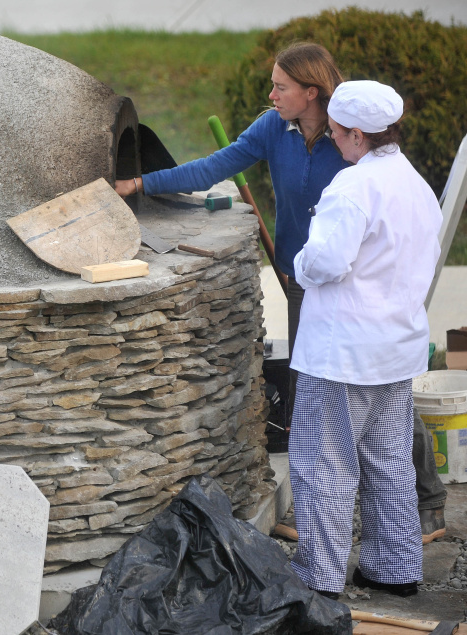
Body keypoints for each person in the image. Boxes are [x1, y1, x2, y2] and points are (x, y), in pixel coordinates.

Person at [115, 42, 447, 543]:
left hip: (365, 292)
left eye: (281, 86)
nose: (270, 94)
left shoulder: (353, 140)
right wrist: (139, 184)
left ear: (312, 92)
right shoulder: (275, 128)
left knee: (379, 394)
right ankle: (316, 512)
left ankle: (427, 500)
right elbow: (214, 166)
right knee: (308, 394)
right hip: (303, 285)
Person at [287, 80, 443, 599]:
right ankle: (394, 569)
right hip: (395, 352)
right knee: (389, 464)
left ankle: (320, 581)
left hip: (341, 355)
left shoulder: (353, 187)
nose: (331, 140)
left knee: (323, 468)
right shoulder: (417, 186)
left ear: (358, 134)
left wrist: (299, 263)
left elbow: (327, 261)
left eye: (334, 133)